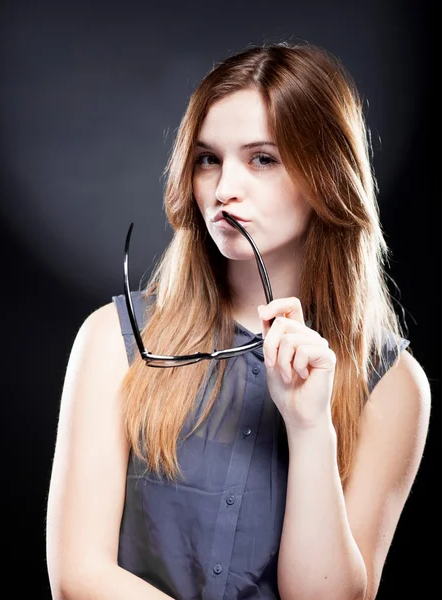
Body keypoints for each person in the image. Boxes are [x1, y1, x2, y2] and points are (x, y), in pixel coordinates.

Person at [45, 41, 431, 600]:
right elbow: (79, 576)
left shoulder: (394, 386)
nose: (224, 190)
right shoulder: (113, 339)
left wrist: (309, 428)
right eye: (208, 159)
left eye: (262, 159)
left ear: (327, 174)